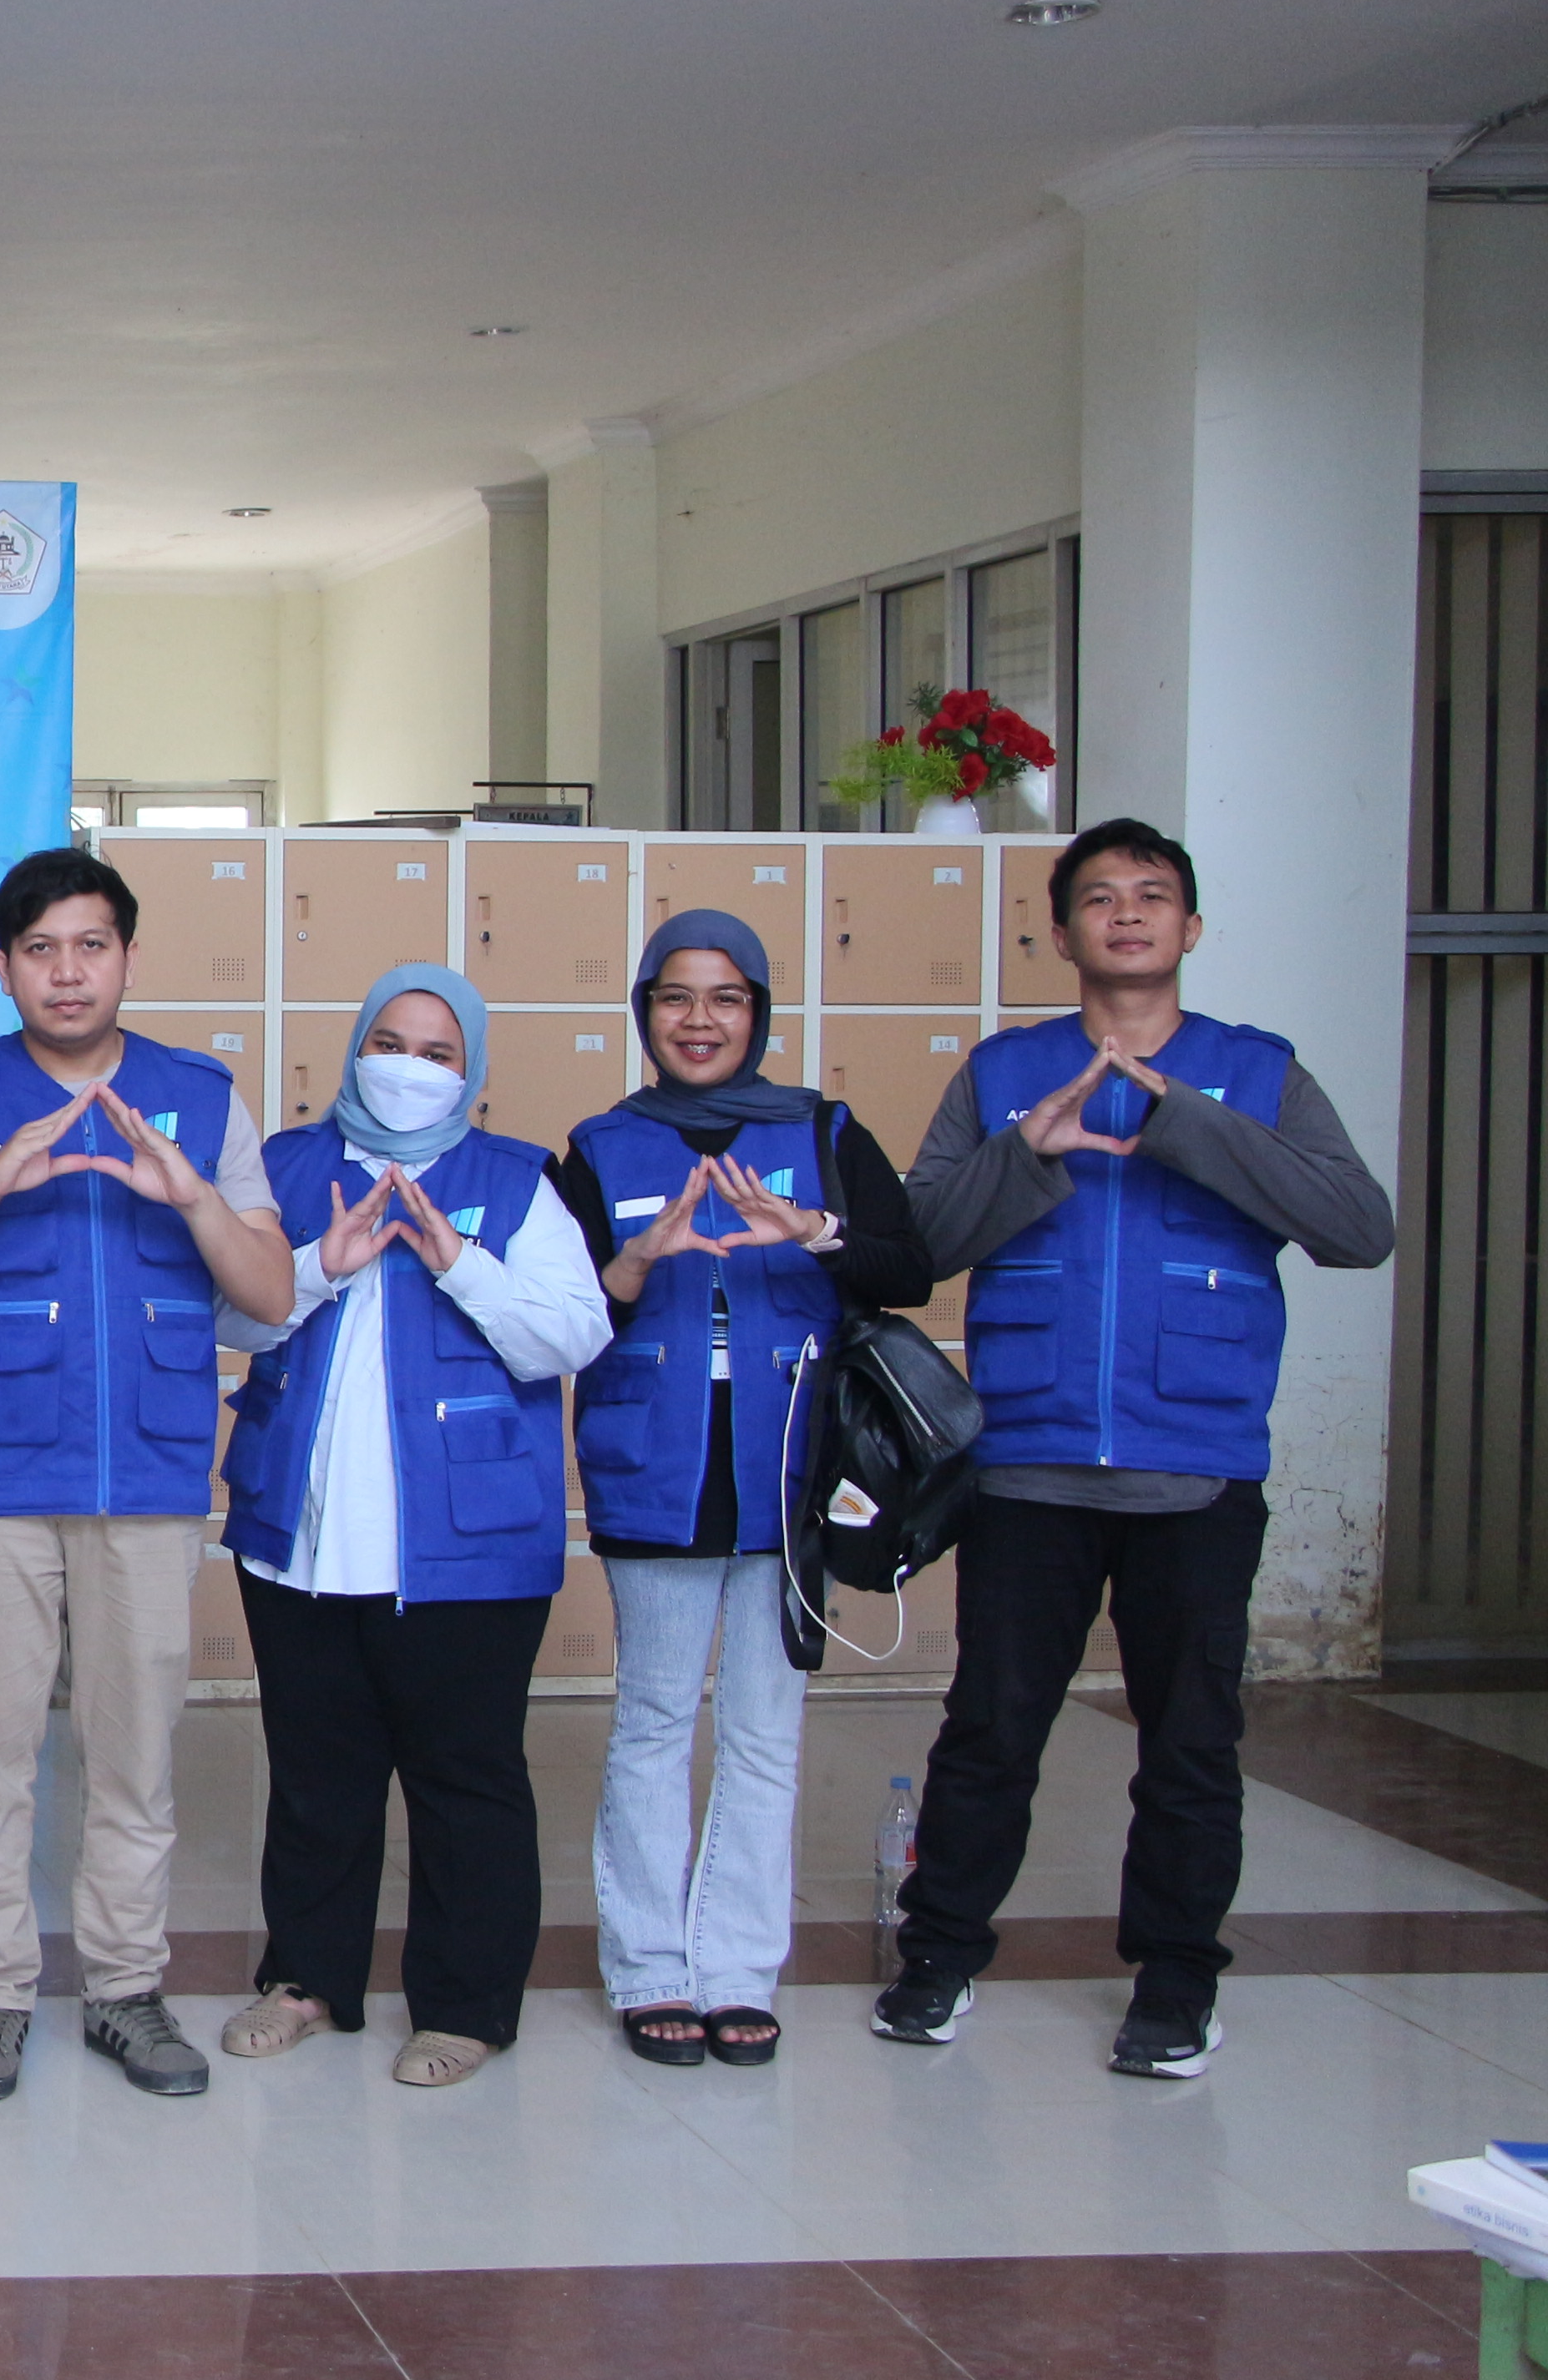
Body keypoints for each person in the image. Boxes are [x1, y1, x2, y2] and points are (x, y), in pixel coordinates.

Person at [876, 821, 1395, 2078]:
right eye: (1098, 899)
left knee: (1191, 1740)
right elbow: (913, 1246)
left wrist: (1188, 1126)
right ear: (1060, 935)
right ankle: (940, 1956)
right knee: (992, 1729)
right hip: (1029, 1463)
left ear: (1192, 929)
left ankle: (1174, 1983)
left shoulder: (1257, 1073)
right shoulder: (1005, 1073)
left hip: (1197, 1464)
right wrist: (1027, 1154)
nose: (1125, 916)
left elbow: (1358, 1228)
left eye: (1152, 897)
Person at [0, 849, 293, 2104]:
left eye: (93, 945)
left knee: (135, 1762)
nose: (69, 971)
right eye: (43, 949)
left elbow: (271, 1292)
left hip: (149, 1479)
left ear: (126, 956)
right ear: (3, 967)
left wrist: (188, 1197)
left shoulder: (203, 1101)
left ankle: (125, 1990)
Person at [211, 964, 610, 2089]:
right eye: (389, 1040)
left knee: (466, 1776)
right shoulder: (289, 1168)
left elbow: (572, 1335)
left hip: (471, 1546)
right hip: (304, 1532)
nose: (408, 1066)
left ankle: (466, 2003)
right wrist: (318, 1270)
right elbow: (229, 1312)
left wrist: (458, 1263)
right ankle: (307, 1977)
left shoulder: (519, 1181)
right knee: (316, 1770)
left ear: (470, 1068)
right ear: (353, 1048)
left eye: (437, 1051)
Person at [553, 913, 932, 2070]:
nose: (700, 1020)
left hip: (790, 1466)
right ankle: (650, 1968)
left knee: (766, 1729)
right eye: (676, 998)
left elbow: (908, 1268)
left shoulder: (821, 1131)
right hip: (651, 1466)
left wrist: (812, 1229)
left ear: (759, 1012)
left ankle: (736, 1967)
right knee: (656, 1720)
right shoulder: (603, 1146)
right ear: (644, 1011)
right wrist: (639, 1261)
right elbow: (568, 1318)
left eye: (726, 998)